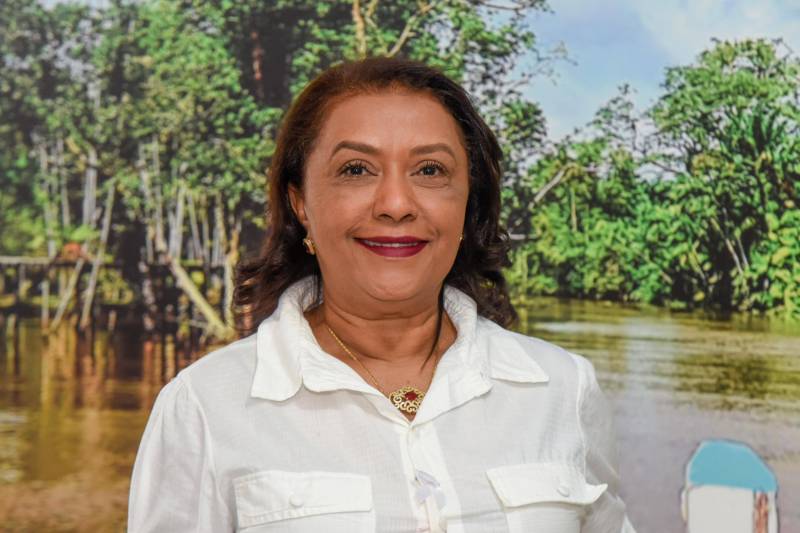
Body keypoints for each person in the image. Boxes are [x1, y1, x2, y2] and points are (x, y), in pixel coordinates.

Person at [128, 56, 636, 533]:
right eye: (356, 169)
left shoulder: (562, 390)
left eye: (430, 170)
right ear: (300, 201)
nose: (396, 203)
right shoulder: (206, 406)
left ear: (467, 202)